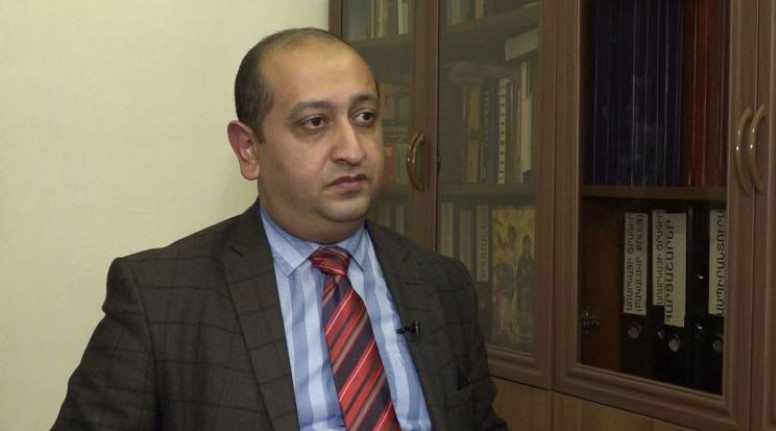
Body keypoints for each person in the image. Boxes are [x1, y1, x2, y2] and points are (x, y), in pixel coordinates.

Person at [52, 27, 506, 430]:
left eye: (365, 117)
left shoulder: (441, 283)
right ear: (249, 150)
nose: (353, 149)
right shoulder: (159, 298)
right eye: (315, 123)